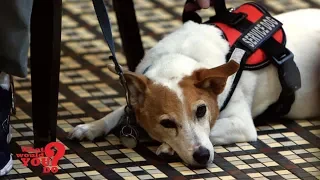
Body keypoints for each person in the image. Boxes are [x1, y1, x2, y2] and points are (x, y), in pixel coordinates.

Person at [0, 0, 212, 176]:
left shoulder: (206, 83)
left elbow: (242, 127)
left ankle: (1, 75)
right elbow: (154, 107)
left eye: (200, 112)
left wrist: (174, 142)